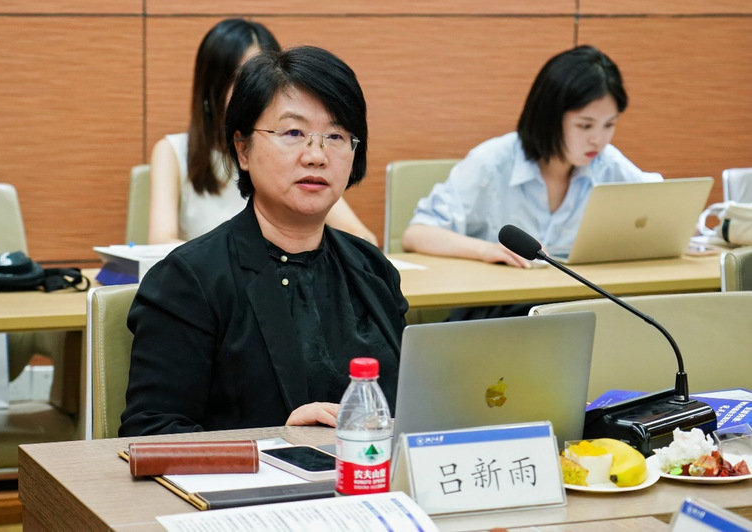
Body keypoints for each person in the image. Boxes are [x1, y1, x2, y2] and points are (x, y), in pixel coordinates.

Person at [119, 46, 407, 436]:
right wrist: (274, 441)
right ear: (243, 149)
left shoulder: (373, 269)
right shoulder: (189, 280)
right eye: (293, 133)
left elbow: (410, 405)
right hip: (256, 477)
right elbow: (150, 434)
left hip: (373, 471)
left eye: (336, 136)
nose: (316, 155)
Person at [402, 45, 662, 270]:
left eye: (609, 125)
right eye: (585, 126)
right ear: (549, 118)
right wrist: (486, 250)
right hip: (500, 302)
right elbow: (417, 234)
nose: (599, 139)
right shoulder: (492, 162)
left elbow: (664, 209)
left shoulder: (608, 162)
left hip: (573, 300)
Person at [148, 18, 378, 246]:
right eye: (243, 79)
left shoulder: (305, 160)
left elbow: (361, 238)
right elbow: (160, 241)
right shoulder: (172, 151)